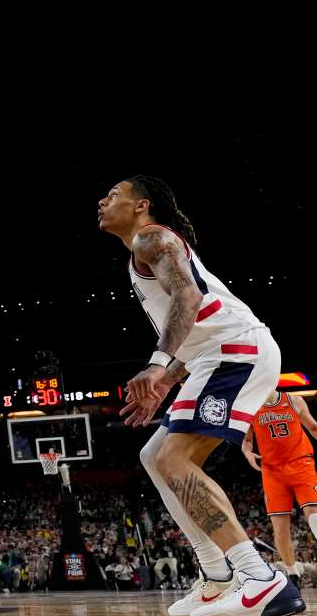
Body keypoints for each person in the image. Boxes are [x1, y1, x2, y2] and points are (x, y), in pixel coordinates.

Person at [104, 175, 305, 616]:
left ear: (142, 205)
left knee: (175, 458)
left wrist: (158, 364)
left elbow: (189, 298)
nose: (103, 201)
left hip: (236, 352)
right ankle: (217, 575)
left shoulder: (151, 238)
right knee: (155, 456)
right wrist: (167, 379)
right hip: (216, 355)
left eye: (114, 195)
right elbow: (198, 327)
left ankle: (260, 579)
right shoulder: (144, 250)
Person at [242, 392, 317, 587]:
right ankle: (293, 575)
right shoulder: (252, 405)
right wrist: (247, 452)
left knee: (315, 517)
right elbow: (247, 440)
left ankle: (293, 574)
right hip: (272, 471)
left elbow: (313, 427)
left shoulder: (294, 401)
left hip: (301, 464)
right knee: (280, 529)